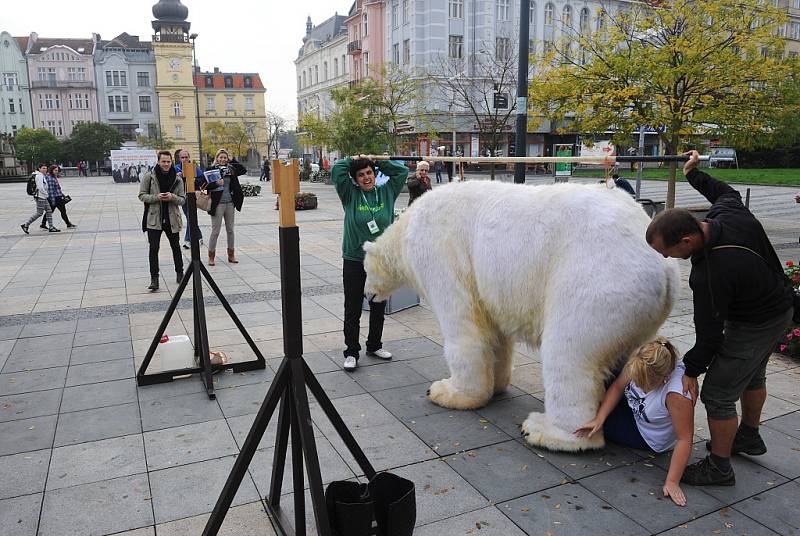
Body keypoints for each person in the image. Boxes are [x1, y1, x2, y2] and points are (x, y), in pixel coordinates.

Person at [645, 150, 795, 486]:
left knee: (719, 393)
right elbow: (726, 193)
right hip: (779, 306)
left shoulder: (710, 274)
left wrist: (692, 371)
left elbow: (711, 338)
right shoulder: (729, 213)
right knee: (752, 375)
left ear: (687, 240)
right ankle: (749, 436)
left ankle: (719, 467)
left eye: (669, 252)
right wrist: (693, 174)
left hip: (757, 321)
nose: (669, 258)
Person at [576, 338, 694, 506]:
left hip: (644, 434)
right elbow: (617, 387)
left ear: (665, 378)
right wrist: (599, 419)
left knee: (582, 414)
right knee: (601, 370)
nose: (636, 383)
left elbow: (685, 438)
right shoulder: (642, 358)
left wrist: (672, 481)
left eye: (642, 383)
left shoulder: (677, 395)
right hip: (634, 409)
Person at [331, 155, 408, 371]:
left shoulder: (386, 192)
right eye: (361, 175)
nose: (366, 178)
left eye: (369, 173)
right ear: (355, 179)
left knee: (377, 304)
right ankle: (351, 351)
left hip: (380, 260)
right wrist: (352, 159)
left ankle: (374, 345)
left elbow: (401, 172)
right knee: (353, 307)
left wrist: (378, 160)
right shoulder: (350, 194)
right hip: (354, 259)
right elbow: (337, 170)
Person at [139, 151, 186, 291]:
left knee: (176, 247)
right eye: (163, 161)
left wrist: (172, 196)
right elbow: (141, 195)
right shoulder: (149, 176)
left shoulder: (177, 179)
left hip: (172, 218)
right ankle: (154, 279)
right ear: (158, 162)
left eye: (168, 161)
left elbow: (182, 199)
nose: (166, 164)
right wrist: (156, 197)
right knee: (153, 249)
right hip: (154, 218)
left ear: (171, 162)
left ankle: (180, 273)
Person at [205, 149, 246, 266]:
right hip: (217, 204)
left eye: (225, 157)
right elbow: (204, 185)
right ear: (217, 158)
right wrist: (216, 183)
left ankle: (231, 254)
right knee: (215, 231)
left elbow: (243, 169)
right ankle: (211, 256)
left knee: (230, 230)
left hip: (230, 203)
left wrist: (232, 159)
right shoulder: (211, 169)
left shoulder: (231, 169)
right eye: (220, 157)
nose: (223, 159)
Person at [174, 149, 204, 249]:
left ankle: (188, 239)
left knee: (190, 216)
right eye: (182, 157)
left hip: (193, 195)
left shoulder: (194, 166)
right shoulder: (176, 168)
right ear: (179, 158)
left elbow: (202, 178)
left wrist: (194, 179)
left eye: (186, 157)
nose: (184, 159)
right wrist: (177, 177)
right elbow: (171, 182)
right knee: (189, 217)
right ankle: (198, 236)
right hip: (183, 196)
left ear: (189, 157)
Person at [21, 163, 59, 234]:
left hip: (42, 196)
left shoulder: (41, 175)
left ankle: (51, 227)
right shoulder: (39, 176)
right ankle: (26, 225)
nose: (45, 169)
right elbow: (40, 187)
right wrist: (46, 194)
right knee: (39, 213)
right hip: (40, 196)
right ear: (39, 169)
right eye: (43, 168)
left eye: (46, 168)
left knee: (49, 210)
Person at [40, 165, 75, 229]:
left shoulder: (52, 177)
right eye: (55, 170)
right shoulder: (50, 178)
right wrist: (53, 201)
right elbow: (51, 191)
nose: (57, 171)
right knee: (62, 211)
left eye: (57, 170)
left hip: (58, 196)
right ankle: (68, 224)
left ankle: (43, 224)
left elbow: (57, 189)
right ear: (51, 170)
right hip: (56, 198)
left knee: (50, 211)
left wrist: (62, 195)